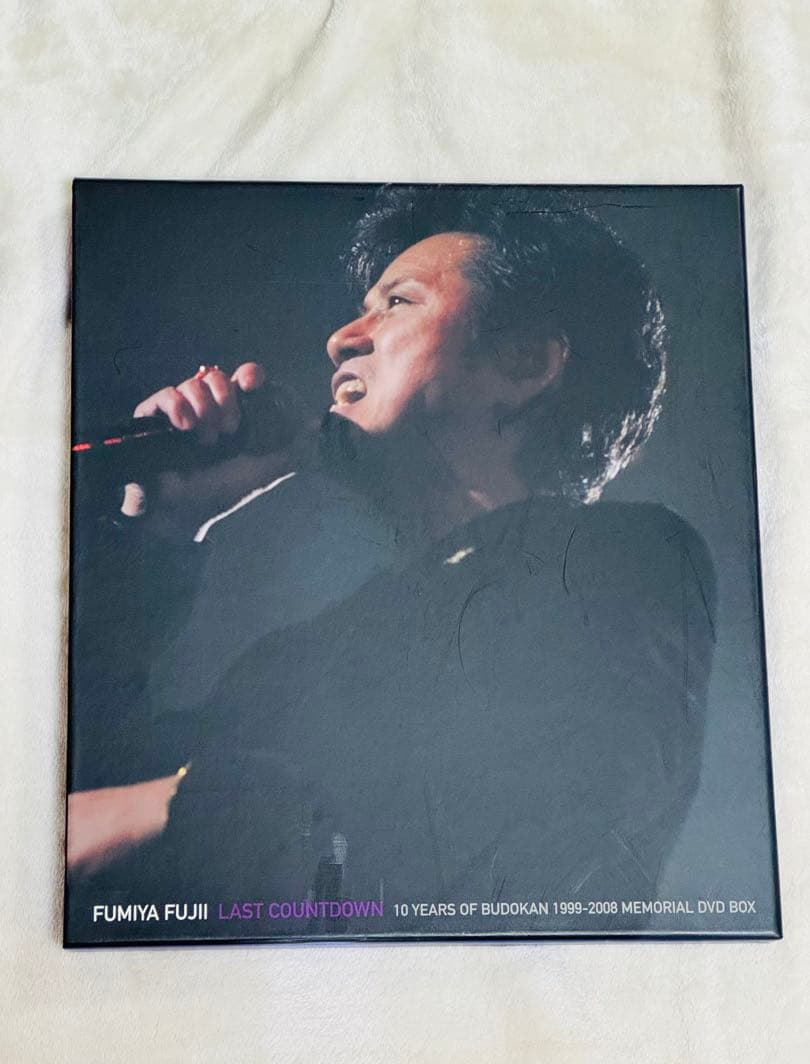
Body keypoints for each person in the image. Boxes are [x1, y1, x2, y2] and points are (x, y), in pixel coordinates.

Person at [66, 187, 715, 938]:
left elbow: (471, 833)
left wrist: (158, 811)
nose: (341, 338)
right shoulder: (295, 659)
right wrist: (161, 532)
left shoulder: (629, 563)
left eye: (397, 303)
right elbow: (75, 790)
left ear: (524, 362)